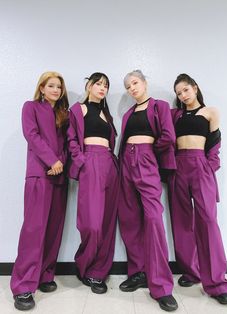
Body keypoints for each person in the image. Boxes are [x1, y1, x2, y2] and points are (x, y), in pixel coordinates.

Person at [168, 73, 227, 304]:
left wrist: (208, 167)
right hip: (178, 166)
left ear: (195, 88)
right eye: (178, 93)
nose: (183, 95)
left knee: (207, 221)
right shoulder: (174, 114)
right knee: (182, 221)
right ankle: (191, 271)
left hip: (200, 166)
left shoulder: (210, 112)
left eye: (185, 90)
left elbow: (214, 147)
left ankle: (217, 283)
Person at [118, 70, 178, 312]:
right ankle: (138, 272)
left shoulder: (159, 106)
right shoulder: (128, 114)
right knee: (130, 220)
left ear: (144, 83)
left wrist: (149, 153)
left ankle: (162, 286)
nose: (132, 88)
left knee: (153, 219)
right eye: (128, 86)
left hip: (146, 160)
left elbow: (168, 136)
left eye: (135, 83)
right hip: (125, 164)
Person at [10, 71, 69, 311]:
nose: (56, 90)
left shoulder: (62, 114)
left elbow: (66, 143)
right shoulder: (30, 107)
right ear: (42, 88)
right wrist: (51, 161)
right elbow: (32, 136)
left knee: (54, 229)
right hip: (39, 175)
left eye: (59, 87)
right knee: (34, 230)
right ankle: (23, 286)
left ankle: (45, 275)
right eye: (51, 86)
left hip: (59, 177)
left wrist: (61, 162)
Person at [67, 72, 118, 294]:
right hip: (91, 162)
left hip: (110, 165)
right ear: (88, 86)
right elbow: (71, 139)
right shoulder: (78, 110)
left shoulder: (107, 114)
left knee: (107, 223)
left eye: (106, 85)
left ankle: (97, 273)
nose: (102, 88)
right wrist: (82, 161)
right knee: (92, 223)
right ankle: (84, 264)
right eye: (98, 83)